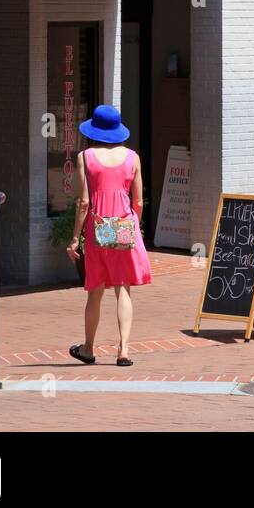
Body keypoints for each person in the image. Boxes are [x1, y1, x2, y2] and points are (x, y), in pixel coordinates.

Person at [67, 105, 152, 367]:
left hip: (97, 224)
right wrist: (132, 226)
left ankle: (88, 348)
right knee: (123, 287)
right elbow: (137, 201)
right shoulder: (132, 157)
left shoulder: (86, 157)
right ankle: (124, 350)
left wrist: (74, 238)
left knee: (95, 290)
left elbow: (83, 202)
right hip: (123, 224)